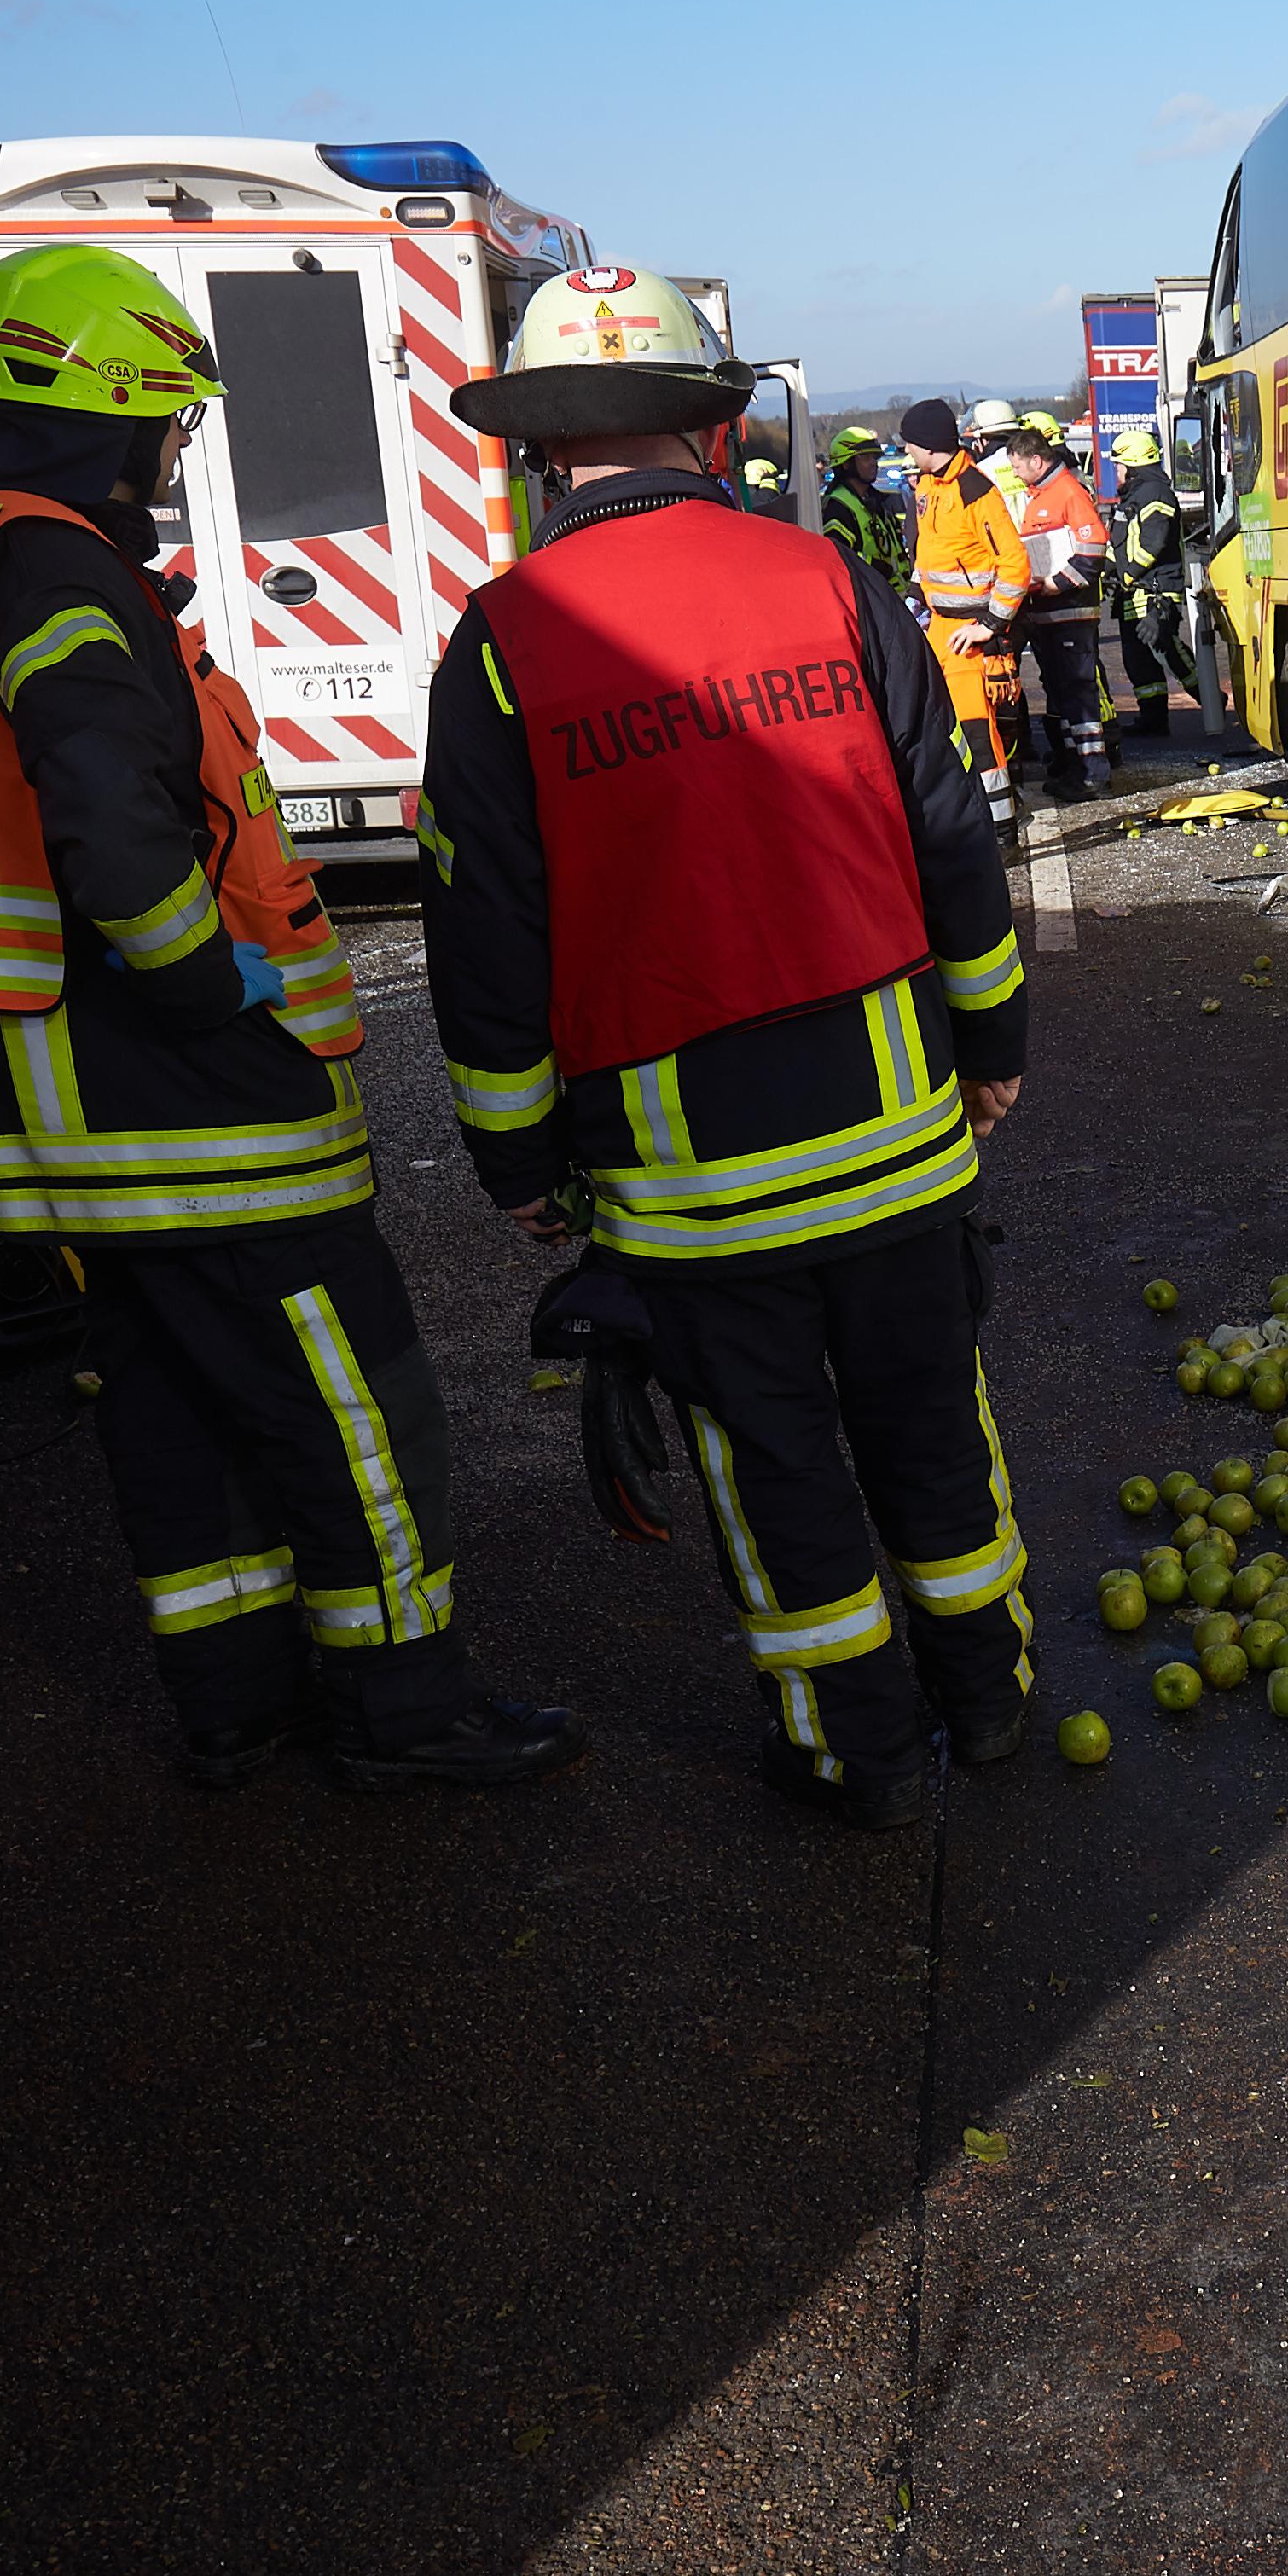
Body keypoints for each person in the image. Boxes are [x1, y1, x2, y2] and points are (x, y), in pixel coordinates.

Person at [0, 241, 582, 1796]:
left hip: (49, 1101)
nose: (175, 451)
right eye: (167, 420)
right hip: (177, 1098)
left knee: (173, 1408)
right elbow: (112, 821)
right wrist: (204, 986)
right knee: (349, 1394)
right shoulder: (51, 562)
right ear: (107, 411)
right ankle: (408, 1704)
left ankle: (237, 1702)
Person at [421, 270, 1036, 1831]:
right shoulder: (831, 580)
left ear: (543, 454)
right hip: (898, 1127)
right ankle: (993, 1701)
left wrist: (516, 1161)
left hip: (692, 1185)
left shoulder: (500, 643)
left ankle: (856, 1750)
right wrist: (992, 1038)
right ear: (712, 423)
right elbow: (947, 829)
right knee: (931, 1425)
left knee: (776, 1470)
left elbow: (484, 933)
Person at [895, 397, 1028, 840]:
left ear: (928, 445)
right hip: (941, 629)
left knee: (977, 734)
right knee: (946, 731)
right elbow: (928, 560)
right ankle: (977, 821)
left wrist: (989, 626)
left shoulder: (976, 491)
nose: (906, 452)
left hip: (969, 637)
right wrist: (914, 607)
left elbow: (1015, 565)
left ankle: (1003, 833)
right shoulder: (928, 488)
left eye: (909, 443)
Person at [998, 420, 1117, 801]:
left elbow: (1093, 550)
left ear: (1036, 460)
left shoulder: (1066, 491)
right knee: (1062, 694)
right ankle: (1073, 767)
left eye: (1017, 467)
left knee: (1078, 693)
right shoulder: (1039, 494)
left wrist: (1054, 585)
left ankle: (1093, 774)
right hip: (1047, 614)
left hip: (1069, 613)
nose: (1015, 475)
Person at [1105, 426, 1203, 739]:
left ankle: (1213, 702)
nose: (1116, 472)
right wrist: (1109, 570)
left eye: (1119, 465)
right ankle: (1154, 719)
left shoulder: (1155, 494)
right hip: (1133, 594)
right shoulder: (1133, 496)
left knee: (1171, 652)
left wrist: (1128, 574)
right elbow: (1120, 542)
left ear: (1132, 465)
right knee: (1138, 661)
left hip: (1154, 593)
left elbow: (1154, 542)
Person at [821, 423, 908, 583]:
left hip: (897, 596)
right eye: (865, 457)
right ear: (846, 464)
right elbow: (840, 555)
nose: (873, 463)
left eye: (874, 457)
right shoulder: (837, 507)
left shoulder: (877, 500)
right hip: (873, 599)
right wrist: (877, 568)